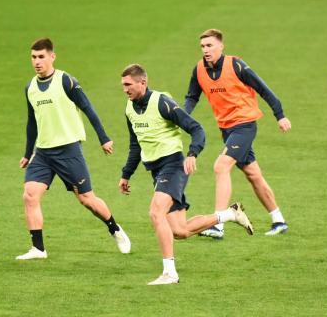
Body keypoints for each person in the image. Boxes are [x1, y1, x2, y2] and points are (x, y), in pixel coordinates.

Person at [119, 64, 253, 285]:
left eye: (128, 85)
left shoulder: (162, 102)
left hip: (173, 165)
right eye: (123, 85)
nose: (125, 89)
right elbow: (136, 144)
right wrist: (126, 174)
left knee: (156, 212)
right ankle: (229, 215)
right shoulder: (129, 108)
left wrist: (192, 154)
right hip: (156, 171)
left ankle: (170, 273)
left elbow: (197, 128)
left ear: (142, 82)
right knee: (180, 231)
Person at [16, 38, 131, 260]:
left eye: (41, 57)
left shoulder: (66, 81)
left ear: (52, 57)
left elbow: (88, 108)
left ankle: (114, 228)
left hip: (68, 150)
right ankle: (38, 249)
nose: (37, 61)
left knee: (87, 199)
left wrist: (104, 138)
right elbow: (32, 122)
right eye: (33, 57)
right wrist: (27, 153)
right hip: (43, 153)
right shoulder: (30, 88)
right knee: (30, 195)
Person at [184, 29, 292, 237]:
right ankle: (279, 220)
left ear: (221, 46)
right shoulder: (198, 70)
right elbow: (191, 97)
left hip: (245, 125)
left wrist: (280, 115)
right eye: (203, 46)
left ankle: (218, 225)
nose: (205, 50)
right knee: (253, 175)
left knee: (221, 166)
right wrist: (181, 116)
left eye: (209, 45)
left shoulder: (235, 65)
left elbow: (263, 88)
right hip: (227, 129)